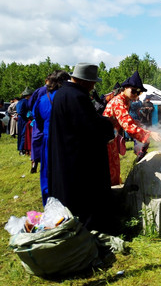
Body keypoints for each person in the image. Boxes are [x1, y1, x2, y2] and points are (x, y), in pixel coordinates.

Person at [48, 63, 115, 233]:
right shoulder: (77, 97)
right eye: (93, 82)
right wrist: (108, 124)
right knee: (84, 198)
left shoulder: (62, 93)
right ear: (85, 81)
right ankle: (89, 231)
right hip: (78, 159)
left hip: (65, 153)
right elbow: (89, 126)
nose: (94, 86)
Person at [103, 71, 161, 186]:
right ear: (125, 88)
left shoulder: (126, 101)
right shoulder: (118, 102)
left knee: (114, 169)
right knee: (109, 172)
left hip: (111, 139)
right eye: (133, 91)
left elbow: (122, 119)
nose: (135, 94)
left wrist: (135, 121)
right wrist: (149, 133)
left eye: (138, 92)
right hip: (105, 140)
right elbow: (128, 125)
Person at [33, 70, 71, 205]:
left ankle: (49, 205)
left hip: (47, 140)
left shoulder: (41, 100)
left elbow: (38, 121)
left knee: (47, 174)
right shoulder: (67, 98)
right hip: (65, 140)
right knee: (66, 173)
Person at [16, 87, 34, 156]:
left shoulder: (21, 101)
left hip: (23, 119)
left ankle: (22, 149)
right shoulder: (24, 101)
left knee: (22, 134)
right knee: (23, 134)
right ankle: (21, 149)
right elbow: (20, 111)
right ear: (28, 95)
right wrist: (27, 118)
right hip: (23, 119)